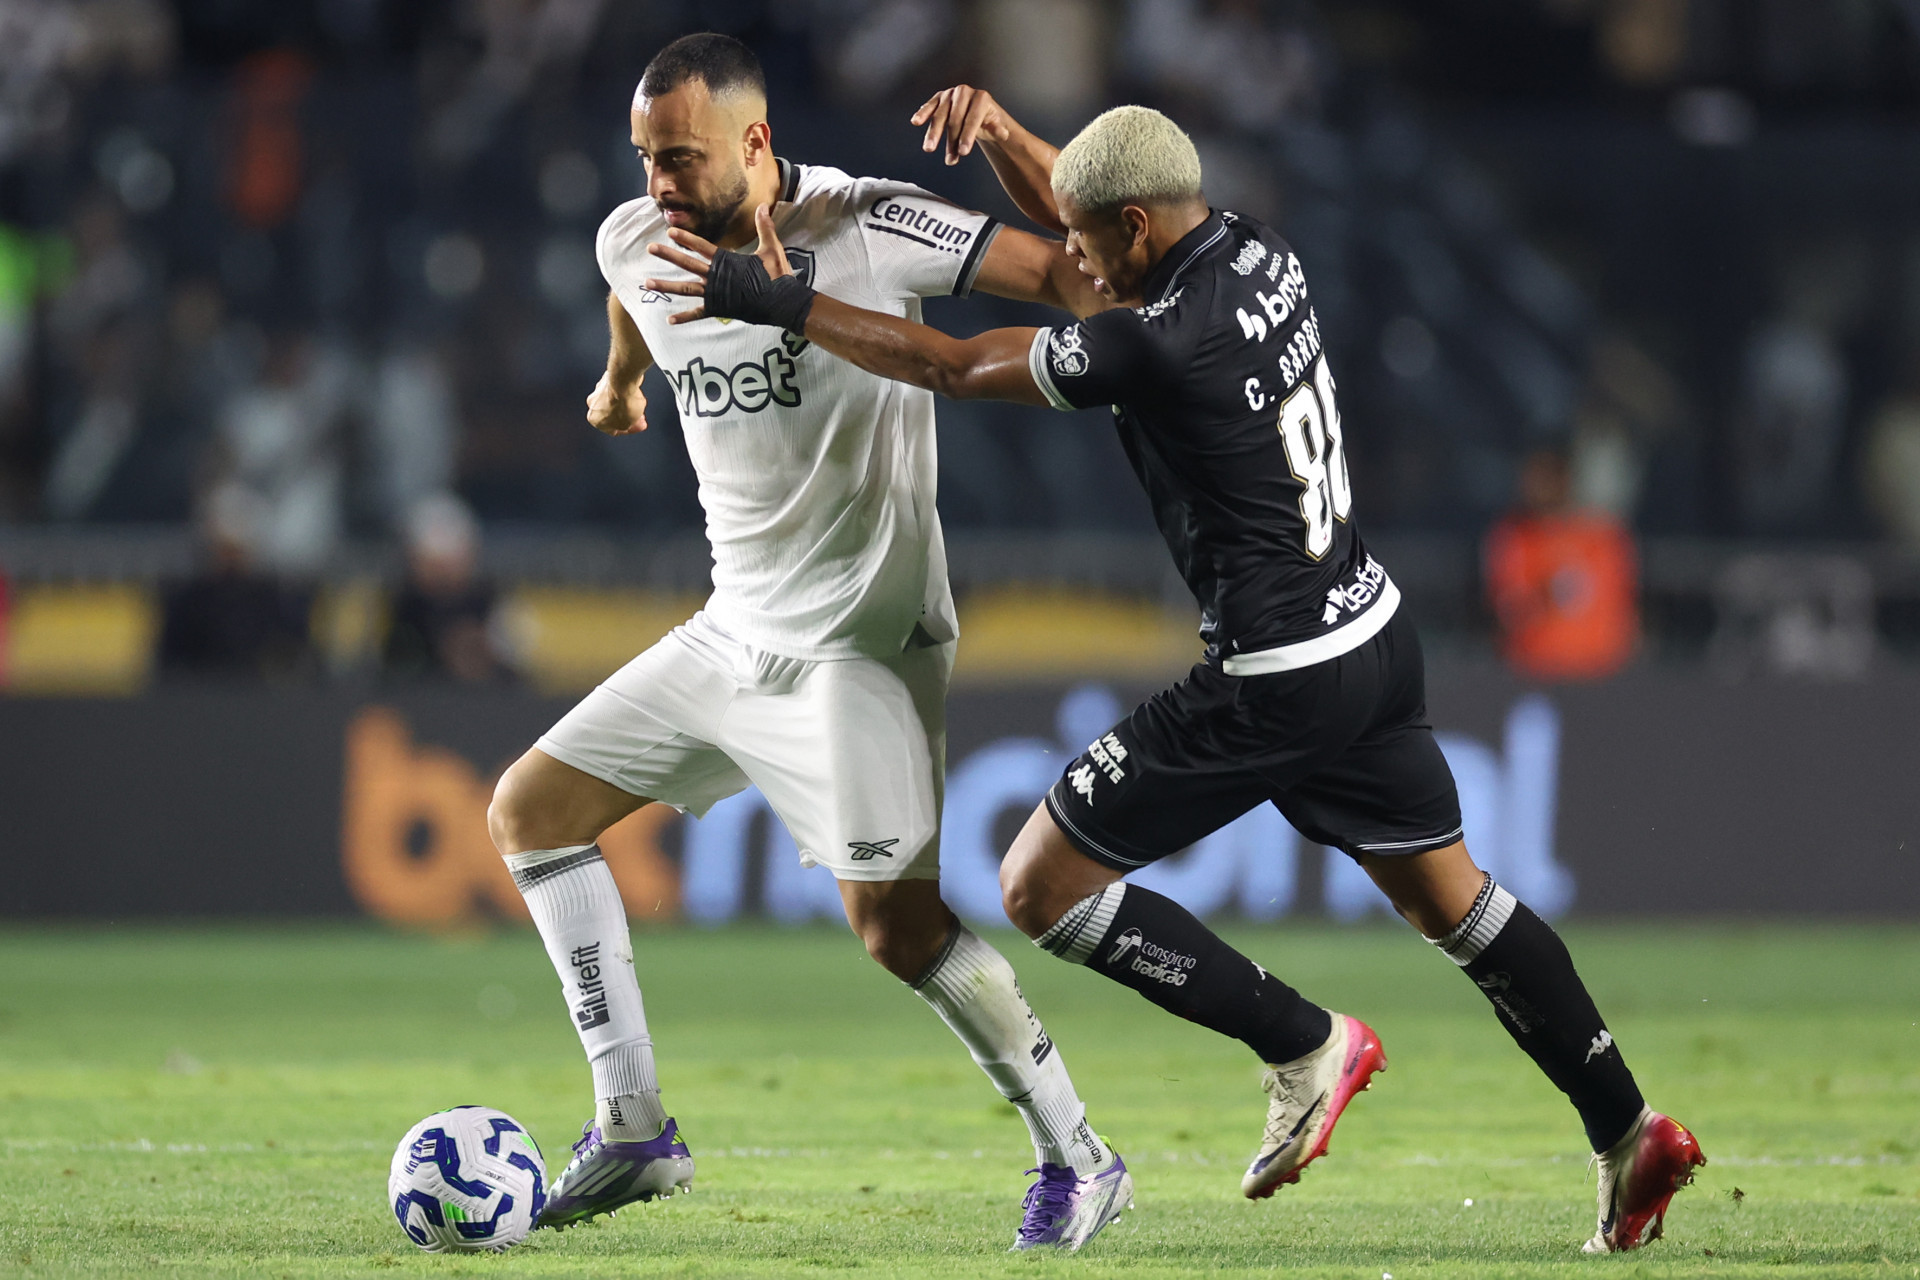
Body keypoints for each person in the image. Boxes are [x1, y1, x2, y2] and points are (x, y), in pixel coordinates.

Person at [652, 95, 1706, 1255]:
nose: (1069, 260)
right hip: (1367, 628)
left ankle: (1304, 1041)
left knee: (1040, 883)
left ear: (1138, 230)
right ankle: (1630, 1129)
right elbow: (1092, 214)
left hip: (1272, 675)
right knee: (1457, 903)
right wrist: (1003, 135)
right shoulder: (1256, 247)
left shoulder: (1151, 340)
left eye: (1087, 239)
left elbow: (952, 366)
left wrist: (790, 304)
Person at [484, 36, 1132, 1250]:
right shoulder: (636, 236)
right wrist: (621, 383)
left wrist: (1014, 149)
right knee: (529, 811)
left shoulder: (868, 225)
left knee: (897, 930)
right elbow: (630, 292)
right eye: (645, 158)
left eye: (681, 158)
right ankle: (633, 1126)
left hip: (863, 644)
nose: (659, 184)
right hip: (732, 631)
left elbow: (1066, 275)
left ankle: (1080, 1153)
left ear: (756, 142)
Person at [1484, 448, 1639, 682]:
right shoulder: (1513, 536)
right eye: (1531, 479)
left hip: (1598, 675)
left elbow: (1622, 616)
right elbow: (1505, 611)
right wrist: (1543, 597)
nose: (1535, 487)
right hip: (1530, 676)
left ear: (1565, 480)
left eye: (1547, 477)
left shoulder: (1603, 540)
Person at [383, 492, 515, 684]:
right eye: (432, 565)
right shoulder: (403, 608)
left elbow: (516, 680)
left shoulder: (491, 604)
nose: (442, 576)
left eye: (449, 564)